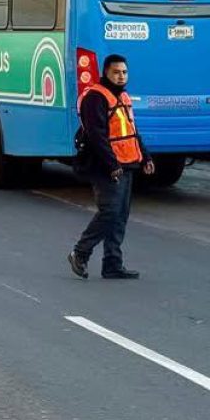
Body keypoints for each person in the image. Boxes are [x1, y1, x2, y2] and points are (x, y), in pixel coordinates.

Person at [67, 55, 154, 280]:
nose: (121, 76)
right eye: (116, 72)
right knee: (109, 212)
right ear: (106, 73)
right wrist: (111, 164)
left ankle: (112, 263)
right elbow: (97, 136)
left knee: (120, 215)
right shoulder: (95, 98)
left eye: (124, 72)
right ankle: (80, 252)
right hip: (106, 166)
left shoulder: (123, 96)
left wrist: (145, 157)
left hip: (127, 162)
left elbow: (132, 131)